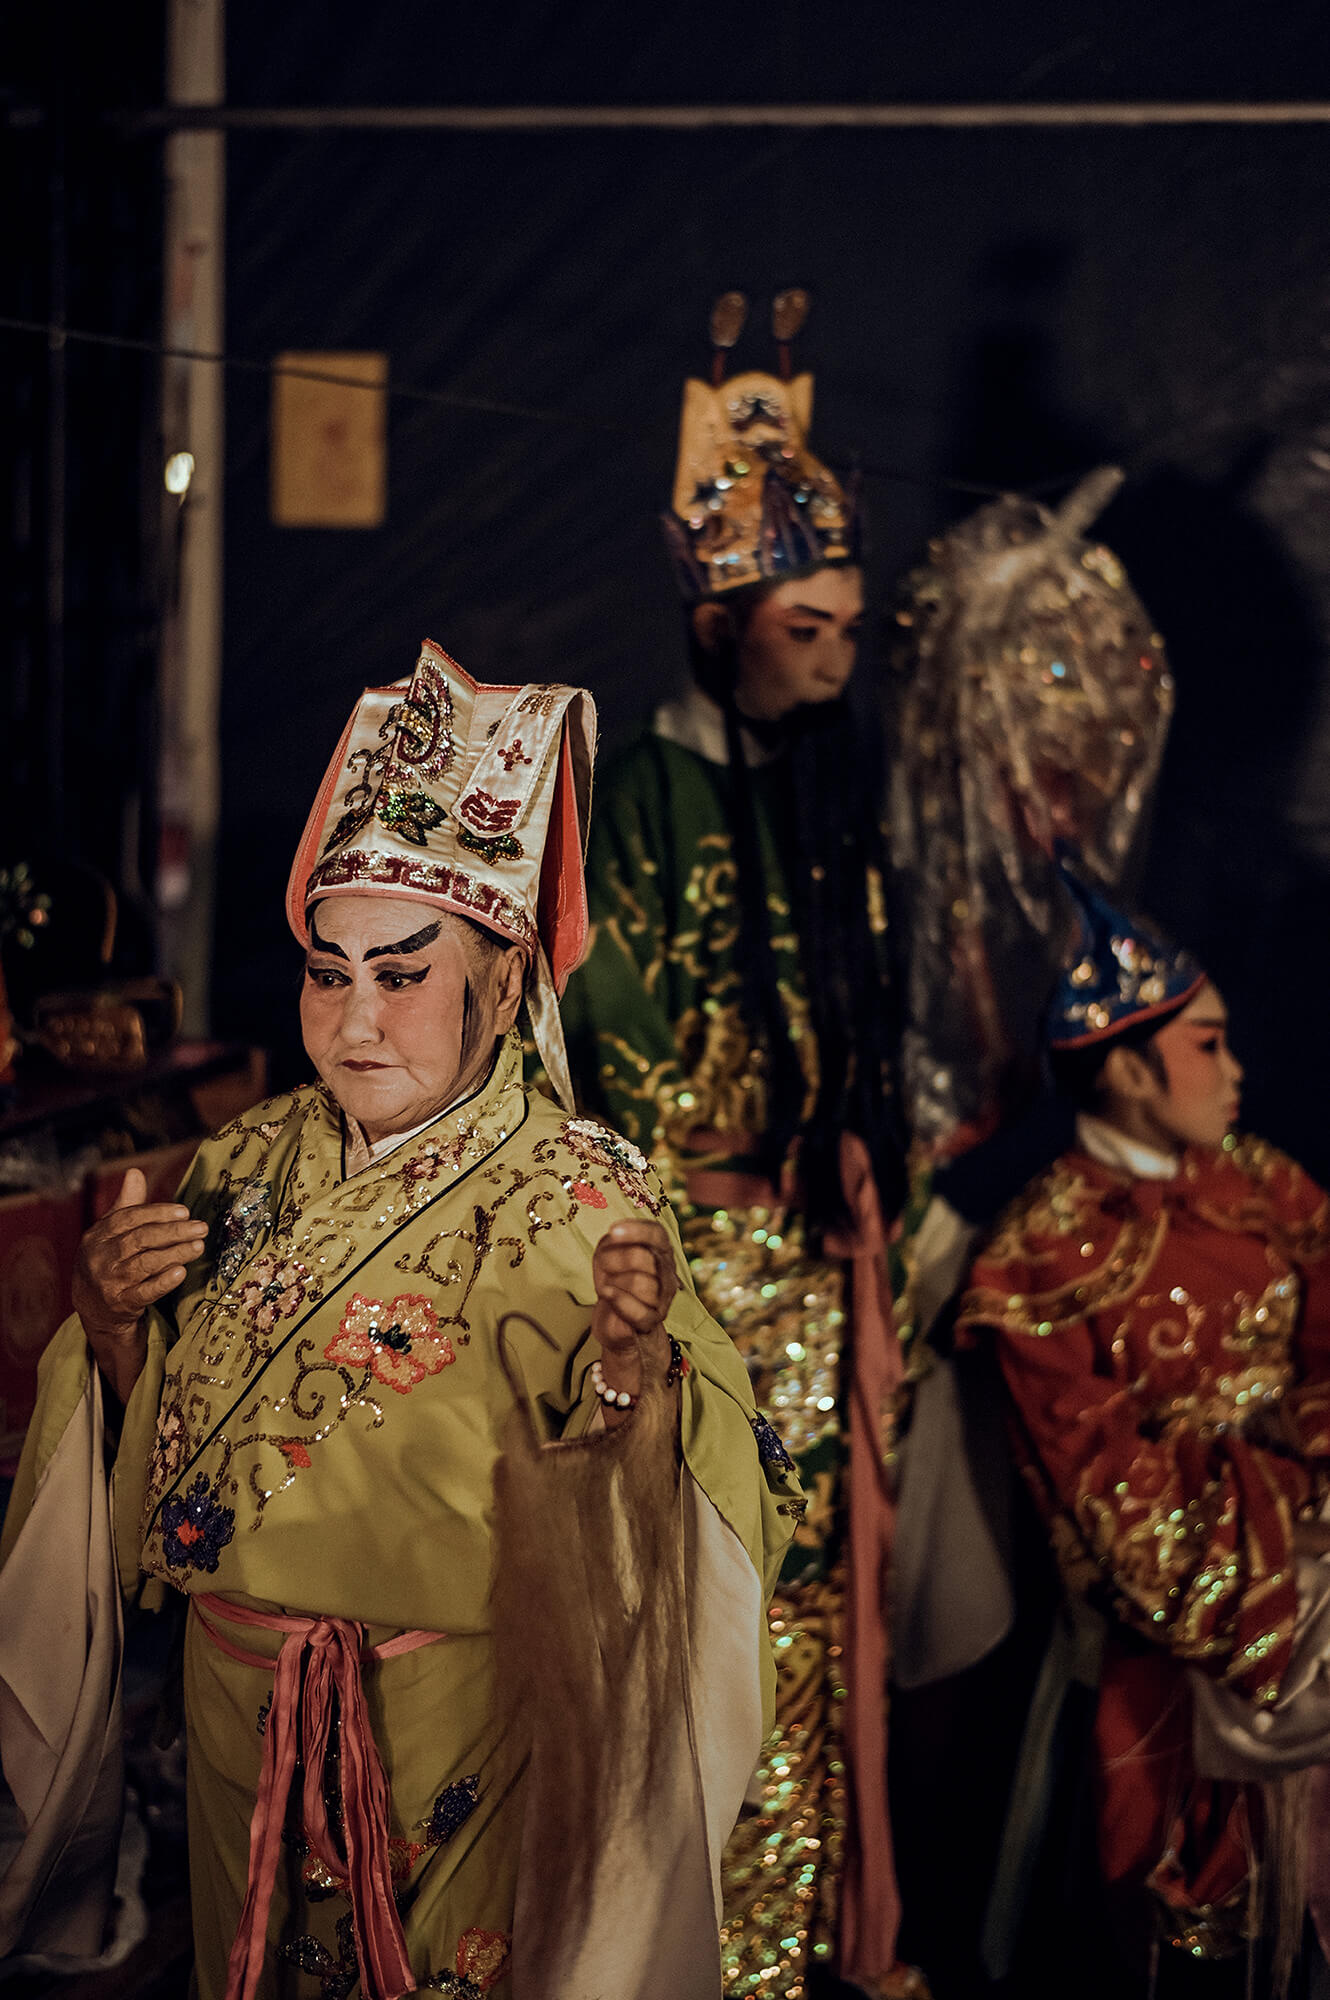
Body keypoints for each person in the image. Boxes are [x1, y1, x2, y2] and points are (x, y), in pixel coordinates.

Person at [0, 641, 799, 2000]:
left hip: (451, 1744)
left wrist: (633, 1397)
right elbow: (157, 1475)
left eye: (403, 974)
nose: (355, 1022)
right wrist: (115, 1328)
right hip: (234, 1717)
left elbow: (707, 1486)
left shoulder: (578, 1197)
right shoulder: (246, 1161)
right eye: (327, 972)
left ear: (502, 985)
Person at [562, 292, 921, 1999]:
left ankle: (798, 1950)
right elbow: (616, 1047)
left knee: (817, 1632)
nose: (836, 646)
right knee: (687, 1623)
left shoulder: (842, 807)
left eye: (851, 618)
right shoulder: (636, 793)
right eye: (806, 619)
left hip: (819, 1265)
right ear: (721, 623)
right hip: (684, 1268)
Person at [955, 870, 1330, 1995]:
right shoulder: (1037, 1256)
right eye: (1207, 1045)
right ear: (1126, 1064)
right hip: (1186, 1635)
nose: (1236, 1070)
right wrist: (1290, 1546)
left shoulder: (1267, 1184)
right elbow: (1101, 1492)